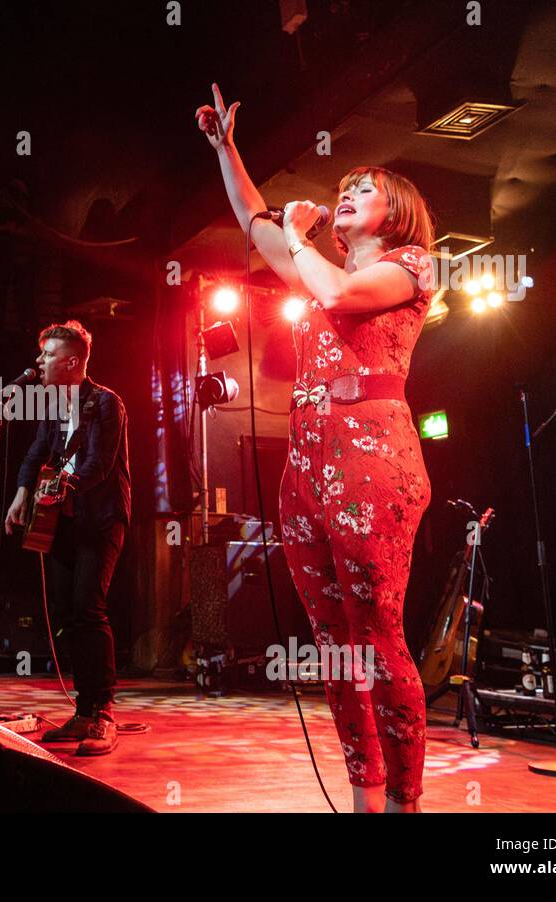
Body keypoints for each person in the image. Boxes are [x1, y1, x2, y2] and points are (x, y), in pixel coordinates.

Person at [197, 84, 435, 813]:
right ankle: (363, 799)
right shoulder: (313, 262)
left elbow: (336, 297)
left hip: (374, 457)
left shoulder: (416, 265)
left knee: (377, 631)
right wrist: (227, 149)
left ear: (395, 212)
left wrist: (297, 235)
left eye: (366, 188)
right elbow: (254, 220)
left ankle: (404, 802)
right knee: (333, 643)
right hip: (307, 460)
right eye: (348, 187)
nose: (351, 192)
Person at [5, 320, 130, 755]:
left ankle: (104, 713)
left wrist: (62, 487)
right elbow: (36, 452)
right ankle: (83, 708)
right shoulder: (53, 406)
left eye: (48, 354)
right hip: (64, 520)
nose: (39, 361)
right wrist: (23, 493)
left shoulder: (107, 404)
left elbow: (99, 464)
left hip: (100, 519)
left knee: (89, 609)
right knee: (66, 613)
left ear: (73, 361)